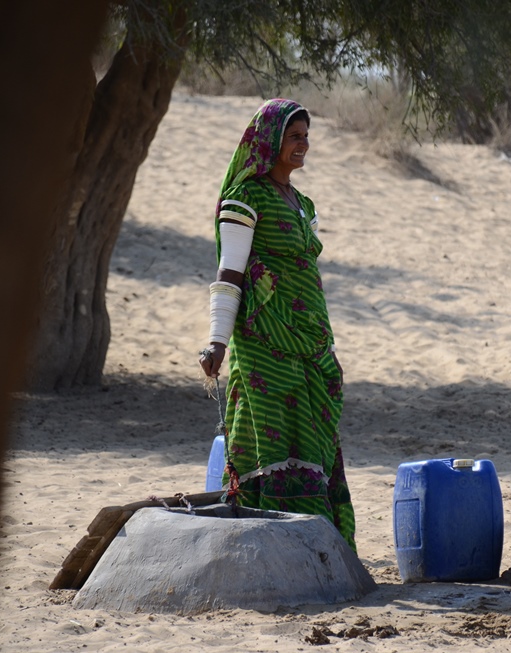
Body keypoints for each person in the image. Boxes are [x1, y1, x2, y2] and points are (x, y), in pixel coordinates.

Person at [198, 98, 356, 552]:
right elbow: (230, 273)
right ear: (269, 142)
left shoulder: (304, 204)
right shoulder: (244, 200)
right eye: (294, 136)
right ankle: (270, 545)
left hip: (311, 340)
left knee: (315, 434)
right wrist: (216, 341)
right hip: (266, 339)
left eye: (306, 136)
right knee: (269, 436)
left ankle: (321, 547)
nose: (303, 145)